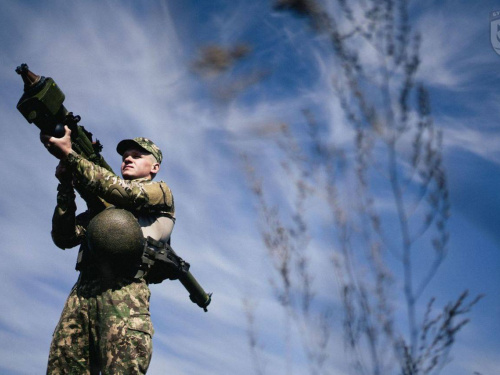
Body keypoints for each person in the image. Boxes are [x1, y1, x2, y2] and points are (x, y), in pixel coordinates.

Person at [41, 125, 175, 374]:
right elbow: (64, 237)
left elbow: (122, 191)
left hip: (124, 298)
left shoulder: (161, 193)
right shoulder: (104, 208)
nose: (128, 158)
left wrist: (70, 156)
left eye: (137, 155)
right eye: (126, 155)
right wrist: (65, 188)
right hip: (81, 298)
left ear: (154, 167)